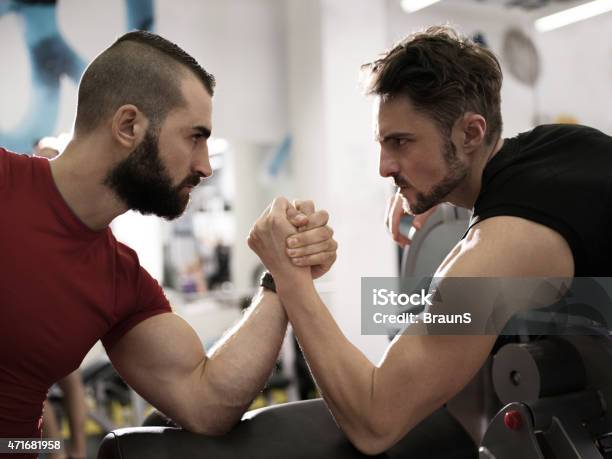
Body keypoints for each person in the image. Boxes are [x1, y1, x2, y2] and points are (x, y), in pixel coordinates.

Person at [247, 25, 612, 455]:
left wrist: (289, 278)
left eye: (401, 142)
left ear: (471, 134)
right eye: (383, 143)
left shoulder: (497, 251)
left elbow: (376, 418)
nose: (385, 167)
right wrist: (444, 196)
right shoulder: (567, 145)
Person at [0, 30, 338, 456]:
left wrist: (282, 274)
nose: (205, 166)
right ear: (128, 126)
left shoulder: (120, 283)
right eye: (194, 136)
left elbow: (206, 401)